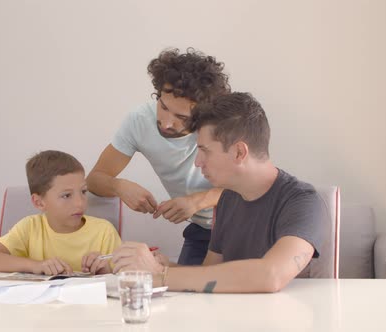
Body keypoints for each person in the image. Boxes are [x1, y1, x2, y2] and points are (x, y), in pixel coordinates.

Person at [111, 92, 327, 293]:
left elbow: (271, 275)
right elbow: (208, 274)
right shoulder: (228, 198)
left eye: (205, 151)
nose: (198, 162)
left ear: (239, 152)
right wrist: (161, 267)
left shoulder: (303, 201)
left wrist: (161, 277)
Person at [86, 48, 231, 265]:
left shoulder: (224, 125)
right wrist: (120, 186)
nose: (166, 122)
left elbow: (252, 187)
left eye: (181, 117)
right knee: (182, 293)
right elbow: (94, 180)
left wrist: (197, 201)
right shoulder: (139, 120)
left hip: (243, 227)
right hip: (201, 232)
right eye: (163, 106)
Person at [0, 150, 121, 275]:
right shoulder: (30, 227)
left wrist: (106, 270)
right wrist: (36, 265)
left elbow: (126, 280)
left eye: (83, 192)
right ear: (39, 202)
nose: (80, 203)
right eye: (66, 195)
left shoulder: (104, 231)